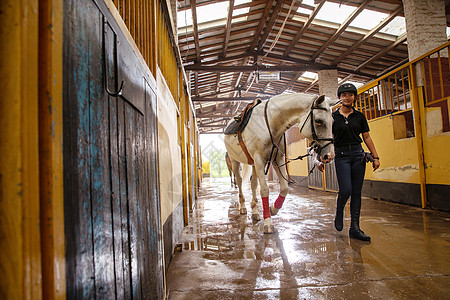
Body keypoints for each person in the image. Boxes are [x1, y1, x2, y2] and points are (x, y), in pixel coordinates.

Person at [318, 83, 380, 241]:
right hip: (341, 155)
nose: (347, 97)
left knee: (357, 192)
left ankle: (355, 228)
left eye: (350, 94)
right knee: (346, 190)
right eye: (344, 95)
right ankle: (339, 210)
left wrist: (375, 156)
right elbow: (326, 138)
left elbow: (366, 137)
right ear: (339, 97)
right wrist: (320, 159)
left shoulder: (360, 116)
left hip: (358, 155)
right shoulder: (332, 117)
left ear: (354, 97)